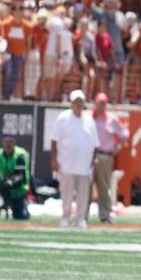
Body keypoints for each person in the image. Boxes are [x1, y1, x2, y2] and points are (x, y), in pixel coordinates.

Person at [51, 89, 99, 229]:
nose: (78, 104)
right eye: (76, 101)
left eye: (81, 101)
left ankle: (80, 219)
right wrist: (54, 160)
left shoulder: (89, 120)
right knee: (66, 193)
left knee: (83, 195)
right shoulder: (62, 118)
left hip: (84, 165)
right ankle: (65, 218)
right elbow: (54, 140)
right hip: (66, 163)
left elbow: (95, 144)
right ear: (71, 103)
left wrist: (92, 161)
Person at [91, 92, 129, 223]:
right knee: (86, 185)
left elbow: (124, 134)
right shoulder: (88, 117)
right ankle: (82, 215)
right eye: (99, 103)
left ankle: (105, 214)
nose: (101, 106)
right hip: (89, 155)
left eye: (103, 103)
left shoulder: (112, 119)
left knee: (104, 186)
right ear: (95, 104)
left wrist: (117, 148)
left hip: (105, 155)